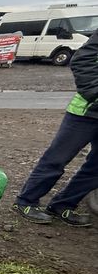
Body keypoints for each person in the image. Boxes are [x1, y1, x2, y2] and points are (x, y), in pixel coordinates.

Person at [13, 28, 98, 227]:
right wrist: (94, 92)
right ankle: (26, 201)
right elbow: (81, 61)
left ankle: (63, 205)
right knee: (56, 159)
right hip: (86, 111)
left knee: (96, 168)